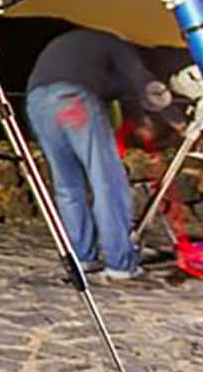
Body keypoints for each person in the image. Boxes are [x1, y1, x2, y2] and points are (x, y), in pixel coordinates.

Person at [24, 26, 174, 281]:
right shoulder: (117, 44)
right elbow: (144, 83)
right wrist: (173, 116)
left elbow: (120, 91)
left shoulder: (79, 44)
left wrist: (134, 113)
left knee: (67, 186)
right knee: (107, 181)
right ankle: (120, 263)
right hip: (73, 100)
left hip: (37, 103)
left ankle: (82, 258)